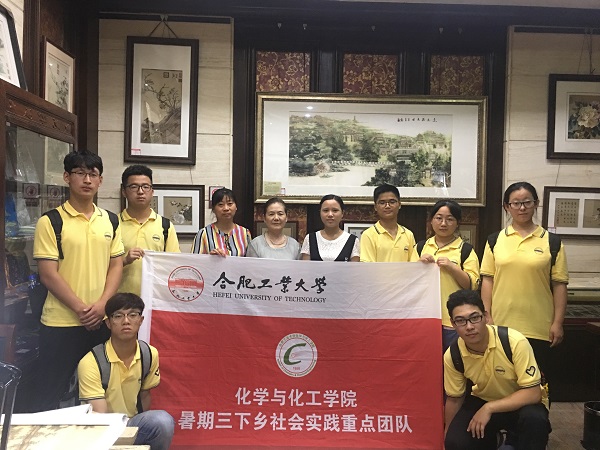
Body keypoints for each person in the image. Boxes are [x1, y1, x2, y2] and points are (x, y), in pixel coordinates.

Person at [33, 150, 124, 412]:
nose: (87, 180)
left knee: (102, 392)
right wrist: (81, 308)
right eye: (80, 173)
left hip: (100, 321)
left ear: (100, 180)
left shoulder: (111, 220)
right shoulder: (50, 221)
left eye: (93, 174)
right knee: (50, 394)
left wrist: (102, 305)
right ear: (66, 177)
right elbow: (48, 273)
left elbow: (116, 265)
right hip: (60, 322)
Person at [480, 182, 568, 388]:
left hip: (539, 327)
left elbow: (559, 285)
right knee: (503, 384)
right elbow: (487, 280)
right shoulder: (495, 240)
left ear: (536, 204)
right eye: (516, 203)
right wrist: (487, 315)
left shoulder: (552, 242)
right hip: (501, 325)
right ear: (506, 207)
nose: (522, 208)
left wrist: (557, 322)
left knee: (536, 385)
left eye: (527, 202)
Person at [444, 290, 550, 450]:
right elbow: (454, 399)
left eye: (474, 318)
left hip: (521, 403)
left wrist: (489, 408)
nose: (469, 326)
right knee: (456, 442)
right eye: (460, 321)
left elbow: (533, 393)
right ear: (453, 324)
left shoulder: (514, 342)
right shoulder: (453, 355)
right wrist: (448, 436)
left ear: (486, 317)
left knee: (535, 419)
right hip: (482, 399)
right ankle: (492, 439)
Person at [78, 293, 174, 450]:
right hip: (100, 429)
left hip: (131, 423)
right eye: (118, 316)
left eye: (133, 315)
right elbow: (99, 416)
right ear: (108, 323)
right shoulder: (91, 362)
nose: (126, 321)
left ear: (141, 320)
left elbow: (145, 396)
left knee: (162, 421)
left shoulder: (149, 353)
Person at [417, 199, 480, 353]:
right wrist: (419, 264)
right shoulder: (420, 247)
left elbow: (471, 285)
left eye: (450, 219)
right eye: (439, 218)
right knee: (428, 361)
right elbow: (409, 282)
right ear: (431, 221)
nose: (443, 223)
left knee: (454, 361)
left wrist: (452, 267)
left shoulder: (465, 250)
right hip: (426, 317)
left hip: (454, 320)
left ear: (457, 223)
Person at [119, 165, 180, 296]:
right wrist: (125, 261)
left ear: (152, 191)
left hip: (155, 300)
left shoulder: (165, 226)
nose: (140, 191)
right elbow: (100, 266)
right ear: (124, 191)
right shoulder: (113, 224)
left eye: (146, 187)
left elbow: (174, 265)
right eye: (134, 187)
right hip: (120, 301)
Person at [360, 183, 417, 262]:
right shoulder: (368, 235)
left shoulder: (408, 234)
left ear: (399, 204)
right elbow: (368, 267)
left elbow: (413, 265)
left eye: (392, 202)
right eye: (382, 203)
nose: (387, 206)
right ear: (375, 207)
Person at [191, 188, 251, 256]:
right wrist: (210, 258)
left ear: (236, 207)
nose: (226, 208)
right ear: (213, 209)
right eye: (220, 204)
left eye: (230, 204)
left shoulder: (245, 233)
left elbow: (251, 260)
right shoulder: (203, 234)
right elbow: (194, 261)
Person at [300, 194, 360, 262]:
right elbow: (305, 267)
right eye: (326, 210)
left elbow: (355, 268)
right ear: (320, 213)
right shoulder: (310, 239)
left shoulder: (353, 241)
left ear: (342, 213)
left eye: (335, 210)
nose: (330, 214)